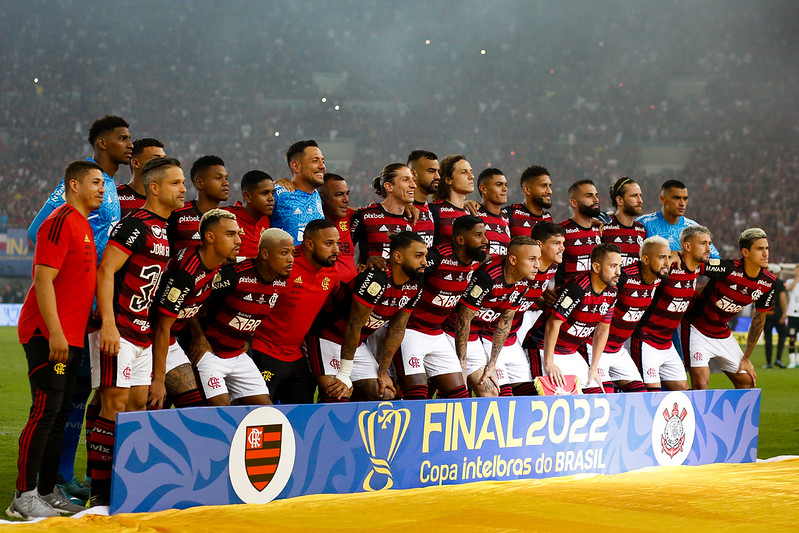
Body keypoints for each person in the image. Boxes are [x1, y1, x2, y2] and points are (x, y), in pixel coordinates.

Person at [27, 115, 131, 502]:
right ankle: (53, 479)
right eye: (122, 138)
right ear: (102, 144)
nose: (129, 144)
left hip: (95, 308)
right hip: (74, 308)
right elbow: (40, 230)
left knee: (80, 393)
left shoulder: (111, 190)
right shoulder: (75, 187)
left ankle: (61, 476)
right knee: (64, 398)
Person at [87, 157, 185, 507]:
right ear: (154, 187)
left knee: (137, 407)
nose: (183, 189)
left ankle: (125, 490)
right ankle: (98, 497)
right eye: (176, 183)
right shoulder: (136, 224)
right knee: (113, 405)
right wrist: (109, 324)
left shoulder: (163, 229)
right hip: (120, 329)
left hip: (143, 333)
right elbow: (106, 271)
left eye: (183, 182)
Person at [10, 160, 105, 518]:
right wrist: (56, 333)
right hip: (47, 333)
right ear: (74, 185)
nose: (101, 189)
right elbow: (44, 279)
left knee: (59, 413)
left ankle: (47, 492)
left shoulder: (82, 224)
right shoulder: (60, 221)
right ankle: (23, 496)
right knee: (44, 413)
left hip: (74, 335)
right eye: (95, 182)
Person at [307, 232, 426, 402]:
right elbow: (353, 325)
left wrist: (383, 372)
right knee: (338, 394)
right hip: (327, 337)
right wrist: (344, 373)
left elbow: (397, 329)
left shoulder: (416, 283)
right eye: (418, 256)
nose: (424, 262)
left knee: (385, 394)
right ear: (398, 257)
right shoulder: (377, 278)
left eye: (425, 256)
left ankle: (355, 421)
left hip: (355, 343)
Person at [190, 228, 295, 406]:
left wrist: (247, 338)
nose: (291, 259)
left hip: (238, 355)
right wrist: (198, 337)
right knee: (221, 410)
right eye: (284, 253)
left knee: (266, 411)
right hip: (211, 354)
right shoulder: (234, 276)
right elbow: (190, 300)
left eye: (292, 253)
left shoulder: (281, 281)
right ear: (265, 253)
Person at [150, 209, 242, 410]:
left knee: (192, 405)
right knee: (150, 401)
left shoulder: (216, 263)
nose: (238, 241)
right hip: (149, 338)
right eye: (230, 234)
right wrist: (158, 379)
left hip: (170, 339)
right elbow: (161, 326)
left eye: (238, 234)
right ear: (209, 237)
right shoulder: (186, 274)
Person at [397, 215, 488, 399]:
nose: (485, 240)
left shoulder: (476, 261)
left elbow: (493, 258)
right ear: (460, 240)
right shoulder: (436, 258)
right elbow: (405, 269)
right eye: (479, 235)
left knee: (460, 397)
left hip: (436, 333)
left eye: (485, 234)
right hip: (411, 330)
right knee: (417, 396)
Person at [250, 219, 340, 404]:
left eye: (337, 243)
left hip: (295, 355)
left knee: (303, 417)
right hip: (263, 350)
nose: (336, 250)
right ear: (309, 244)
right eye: (329, 244)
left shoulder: (332, 272)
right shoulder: (284, 265)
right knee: (258, 416)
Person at [445, 236, 540, 397]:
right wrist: (462, 363)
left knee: (491, 393)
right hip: (451, 332)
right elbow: (463, 319)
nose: (537, 265)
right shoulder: (488, 276)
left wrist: (492, 364)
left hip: (474, 336)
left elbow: (505, 322)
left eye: (538, 259)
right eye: (531, 259)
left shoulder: (523, 282)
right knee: (457, 391)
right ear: (513, 260)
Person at [683, 228, 777, 390]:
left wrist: (746, 357)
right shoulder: (727, 268)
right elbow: (694, 263)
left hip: (722, 333)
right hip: (696, 329)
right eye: (760, 249)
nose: (765, 253)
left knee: (747, 382)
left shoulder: (768, 282)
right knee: (701, 384)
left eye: (767, 248)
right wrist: (678, 255)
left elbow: (759, 318)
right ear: (745, 252)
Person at [629, 226, 712, 391]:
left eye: (709, 243)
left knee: (683, 391)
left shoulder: (697, 268)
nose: (709, 248)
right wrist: (672, 255)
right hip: (647, 339)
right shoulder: (669, 267)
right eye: (703, 243)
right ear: (687, 247)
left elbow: (724, 267)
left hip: (667, 343)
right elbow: (642, 272)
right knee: (650, 393)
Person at [534, 243, 622, 394]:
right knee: (554, 398)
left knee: (597, 396)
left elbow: (603, 329)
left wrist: (593, 367)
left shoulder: (612, 292)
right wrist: (549, 363)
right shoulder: (578, 288)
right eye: (613, 266)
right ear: (596, 267)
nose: (619, 272)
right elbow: (553, 324)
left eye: (620, 266)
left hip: (571, 351)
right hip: (544, 347)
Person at [592, 236, 670, 393]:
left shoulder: (657, 279)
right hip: (596, 346)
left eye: (669, 257)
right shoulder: (624, 277)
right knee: (605, 394)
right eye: (662, 257)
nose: (668, 263)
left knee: (640, 395)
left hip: (618, 349)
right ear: (646, 260)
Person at [507, 221, 564, 395]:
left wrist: (540, 299)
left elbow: (530, 293)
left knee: (526, 387)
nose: (562, 248)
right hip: (494, 331)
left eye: (563, 243)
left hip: (513, 331)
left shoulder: (552, 267)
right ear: (539, 245)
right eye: (556, 243)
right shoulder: (521, 269)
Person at [637, 179, 720, 260]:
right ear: (662, 199)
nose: (682, 203)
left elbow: (716, 260)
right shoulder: (643, 223)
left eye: (685, 198)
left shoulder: (693, 228)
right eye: (677, 198)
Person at [350, 163, 415, 264]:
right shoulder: (365, 216)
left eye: (412, 180)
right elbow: (344, 253)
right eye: (405, 180)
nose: (413, 185)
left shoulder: (414, 216)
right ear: (389, 186)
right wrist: (359, 267)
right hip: (374, 279)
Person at [167, 155, 230, 253]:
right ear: (199, 183)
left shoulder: (230, 219)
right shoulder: (178, 214)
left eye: (226, 178)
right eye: (218, 178)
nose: (226, 183)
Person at [270, 140, 326, 245]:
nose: (322, 166)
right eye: (315, 161)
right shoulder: (278, 193)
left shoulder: (317, 196)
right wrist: (271, 185)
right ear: (296, 166)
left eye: (323, 161)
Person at [556, 179, 602, 286]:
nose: (596, 199)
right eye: (589, 196)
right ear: (574, 203)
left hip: (596, 299)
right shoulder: (560, 231)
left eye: (596, 195)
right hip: (568, 297)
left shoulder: (600, 229)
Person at [224, 170, 274, 259]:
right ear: (247, 196)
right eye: (264, 193)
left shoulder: (268, 219)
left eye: (272, 193)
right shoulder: (226, 217)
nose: (271, 198)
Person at [319, 173, 357, 283]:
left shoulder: (351, 216)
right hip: (324, 292)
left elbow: (381, 212)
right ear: (322, 198)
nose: (346, 200)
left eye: (347, 194)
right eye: (339, 195)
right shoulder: (308, 222)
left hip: (349, 292)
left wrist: (405, 205)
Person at [601, 177, 646, 267]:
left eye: (640, 195)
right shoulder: (603, 226)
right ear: (620, 200)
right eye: (634, 196)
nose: (640, 200)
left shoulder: (642, 229)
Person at [430, 154, 474, 246]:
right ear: (448, 180)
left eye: (471, 171)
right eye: (464, 172)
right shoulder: (434, 210)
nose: (471, 176)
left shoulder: (473, 211)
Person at [117, 138, 166, 216]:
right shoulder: (115, 197)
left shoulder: (168, 200)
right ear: (136, 163)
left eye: (164, 159)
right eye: (156, 159)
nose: (164, 164)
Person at [507, 165, 553, 237]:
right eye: (543, 186)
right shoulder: (509, 214)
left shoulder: (548, 219)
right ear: (527, 190)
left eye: (549, 186)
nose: (549, 191)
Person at [407, 150, 440, 248]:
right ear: (413, 174)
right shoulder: (402, 210)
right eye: (431, 171)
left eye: (438, 171)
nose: (438, 176)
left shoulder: (433, 210)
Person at [475, 168, 511, 257]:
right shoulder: (473, 213)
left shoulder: (506, 218)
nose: (505, 189)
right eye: (499, 185)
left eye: (506, 185)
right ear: (483, 189)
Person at [762, 266, 788, 368]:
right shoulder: (780, 283)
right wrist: (784, 313)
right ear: (777, 273)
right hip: (778, 315)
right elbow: (782, 298)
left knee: (768, 339)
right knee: (782, 336)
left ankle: (768, 362)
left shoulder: (763, 281)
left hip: (766, 314)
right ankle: (778, 359)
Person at [786, 266, 799, 368]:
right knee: (792, 337)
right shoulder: (790, 281)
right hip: (792, 315)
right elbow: (788, 289)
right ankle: (792, 360)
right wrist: (797, 279)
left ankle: (798, 360)